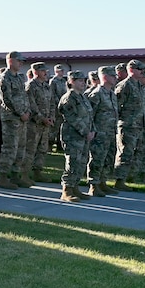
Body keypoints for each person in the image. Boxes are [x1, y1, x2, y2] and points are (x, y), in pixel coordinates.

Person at [57, 70, 95, 202]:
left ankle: (75, 188)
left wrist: (92, 130)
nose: (83, 83)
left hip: (84, 136)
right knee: (73, 161)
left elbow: (90, 116)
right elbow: (72, 118)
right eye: (79, 81)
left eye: (84, 81)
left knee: (81, 162)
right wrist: (86, 132)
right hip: (72, 135)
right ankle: (66, 190)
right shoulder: (69, 98)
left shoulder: (82, 97)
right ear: (71, 82)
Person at [0, 51, 30, 189]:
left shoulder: (19, 78)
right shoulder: (4, 78)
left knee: (21, 148)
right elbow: (7, 99)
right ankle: (3, 178)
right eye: (19, 61)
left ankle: (15, 176)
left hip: (22, 119)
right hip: (12, 119)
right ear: (10, 61)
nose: (21, 63)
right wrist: (21, 113)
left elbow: (24, 97)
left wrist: (27, 111)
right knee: (10, 148)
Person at [113, 59, 145, 190]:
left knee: (136, 152)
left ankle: (130, 176)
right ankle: (119, 180)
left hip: (138, 125)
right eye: (140, 69)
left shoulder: (139, 85)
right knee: (125, 152)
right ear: (131, 70)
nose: (142, 72)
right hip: (128, 125)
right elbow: (117, 106)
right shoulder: (124, 85)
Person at [86, 66, 119, 196]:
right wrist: (91, 131)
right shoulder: (96, 94)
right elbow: (89, 115)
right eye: (113, 76)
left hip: (110, 132)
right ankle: (93, 185)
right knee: (97, 158)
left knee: (107, 159)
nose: (115, 78)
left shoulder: (112, 94)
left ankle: (102, 182)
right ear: (105, 77)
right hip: (99, 133)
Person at [24, 61, 54, 184]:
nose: (46, 73)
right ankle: (24, 174)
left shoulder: (46, 86)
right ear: (36, 72)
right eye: (43, 71)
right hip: (34, 123)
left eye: (46, 71)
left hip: (46, 123)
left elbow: (52, 103)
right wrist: (42, 118)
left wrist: (51, 117)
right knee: (30, 149)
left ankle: (37, 172)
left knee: (42, 149)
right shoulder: (31, 86)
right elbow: (31, 105)